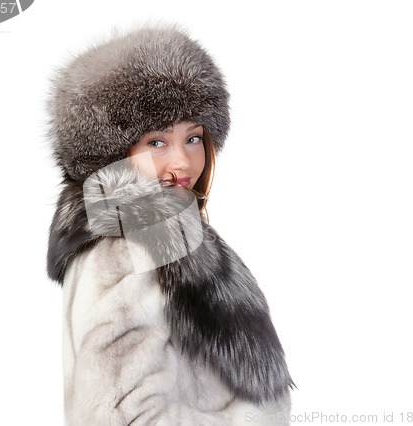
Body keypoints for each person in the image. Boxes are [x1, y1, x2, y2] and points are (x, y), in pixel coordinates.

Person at [47, 25, 294, 425]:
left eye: (193, 138)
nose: (182, 162)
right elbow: (120, 416)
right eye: (157, 142)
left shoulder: (162, 235)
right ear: (112, 153)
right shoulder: (130, 248)